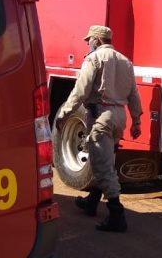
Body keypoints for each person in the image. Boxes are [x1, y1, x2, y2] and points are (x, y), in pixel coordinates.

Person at [56, 25, 143, 232]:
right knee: (104, 159)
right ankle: (92, 202)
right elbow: (134, 94)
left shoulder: (93, 59)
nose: (88, 43)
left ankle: (116, 215)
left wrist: (64, 113)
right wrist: (137, 121)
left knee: (103, 166)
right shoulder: (125, 61)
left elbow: (80, 91)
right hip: (119, 117)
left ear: (97, 40)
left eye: (89, 40)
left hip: (100, 116)